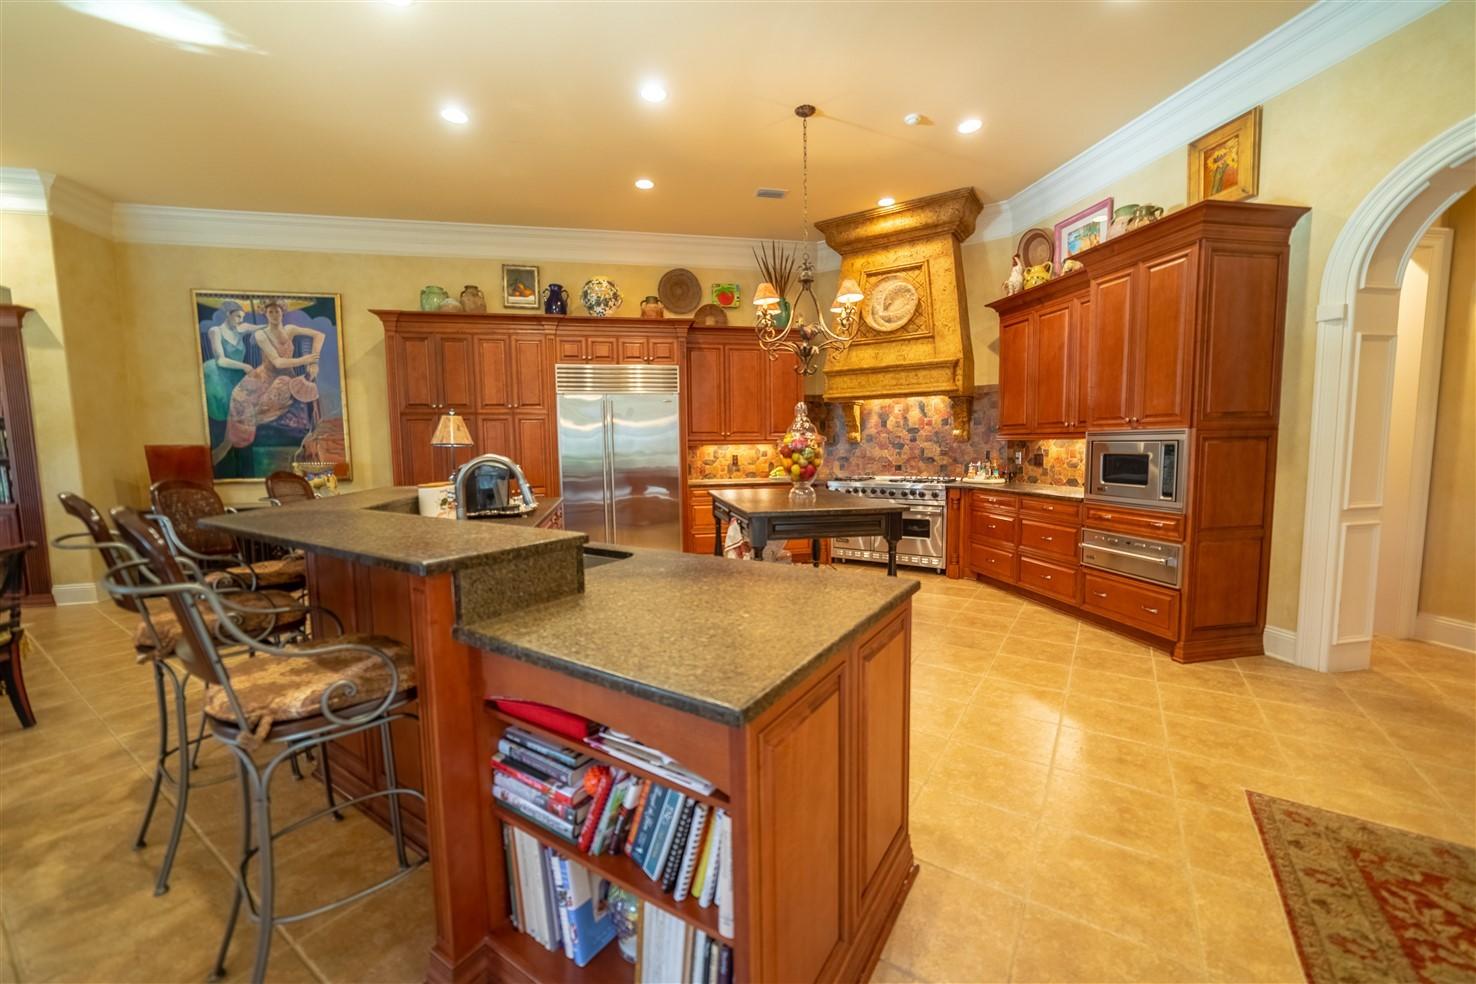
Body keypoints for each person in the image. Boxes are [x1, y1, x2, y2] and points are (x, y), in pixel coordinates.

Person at [216, 298, 326, 461]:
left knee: (274, 394)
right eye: (270, 312)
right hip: (264, 374)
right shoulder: (261, 334)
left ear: (282, 312)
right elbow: (277, 362)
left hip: (285, 376)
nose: (274, 315)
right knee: (238, 396)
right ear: (265, 314)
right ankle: (229, 442)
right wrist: (304, 360)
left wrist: (314, 362)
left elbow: (319, 335)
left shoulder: (290, 329)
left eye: (277, 311)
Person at [201, 300, 254, 425]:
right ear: (228, 314)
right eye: (238, 316)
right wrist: (245, 366)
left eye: (243, 317)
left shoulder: (240, 330)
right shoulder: (215, 331)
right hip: (219, 375)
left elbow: (264, 327)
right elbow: (220, 360)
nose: (241, 320)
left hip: (237, 374)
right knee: (223, 412)